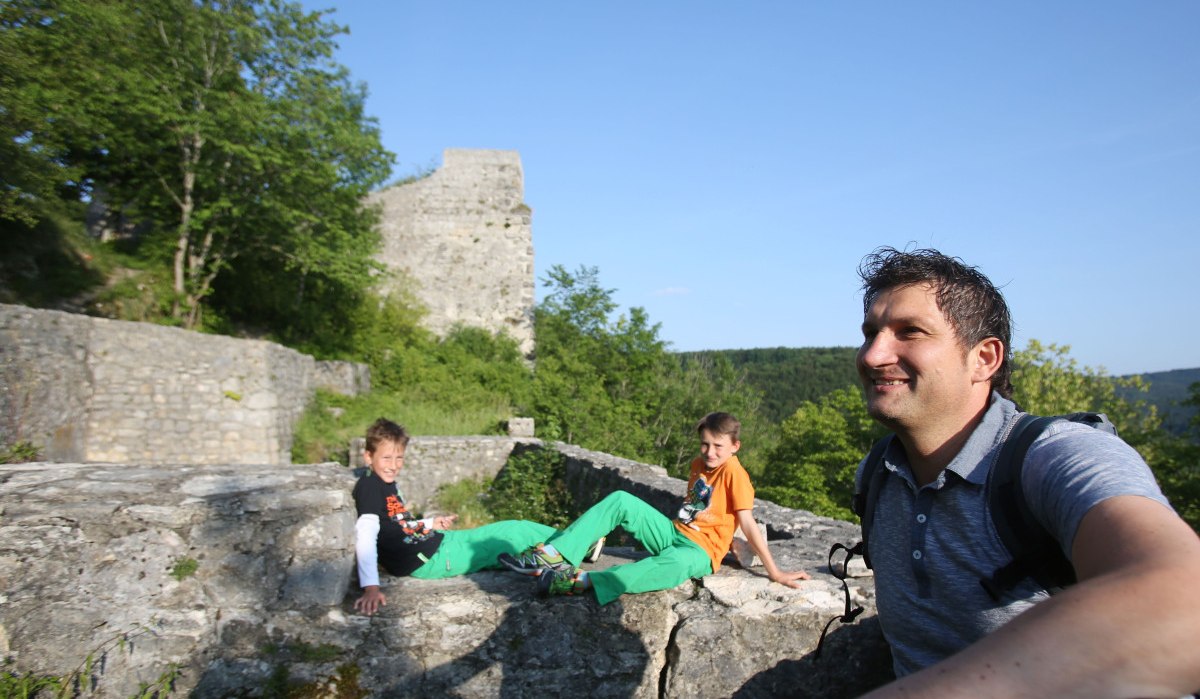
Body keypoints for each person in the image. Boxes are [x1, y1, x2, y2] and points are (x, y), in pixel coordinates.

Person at [851, 247, 1200, 697]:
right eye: (870, 333)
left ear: (984, 359)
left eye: (909, 332)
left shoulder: (1055, 458)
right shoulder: (880, 474)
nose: (873, 355)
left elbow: (1186, 601)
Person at [498, 411, 810, 603]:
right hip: (674, 533)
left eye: (718, 446)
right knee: (621, 500)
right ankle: (554, 555)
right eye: (705, 444)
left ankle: (579, 581)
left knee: (674, 567)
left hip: (699, 551)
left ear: (734, 446)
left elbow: (747, 522)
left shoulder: (734, 474)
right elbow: (694, 509)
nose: (710, 452)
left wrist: (775, 571)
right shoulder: (697, 464)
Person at [351, 417, 559, 615]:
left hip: (437, 544)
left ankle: (567, 544)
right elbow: (365, 533)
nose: (394, 465)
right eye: (386, 458)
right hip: (431, 558)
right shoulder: (369, 486)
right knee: (510, 537)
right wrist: (371, 587)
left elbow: (398, 525)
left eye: (399, 458)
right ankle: (572, 544)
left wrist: (430, 523)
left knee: (513, 531)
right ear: (368, 456)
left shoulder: (385, 484)